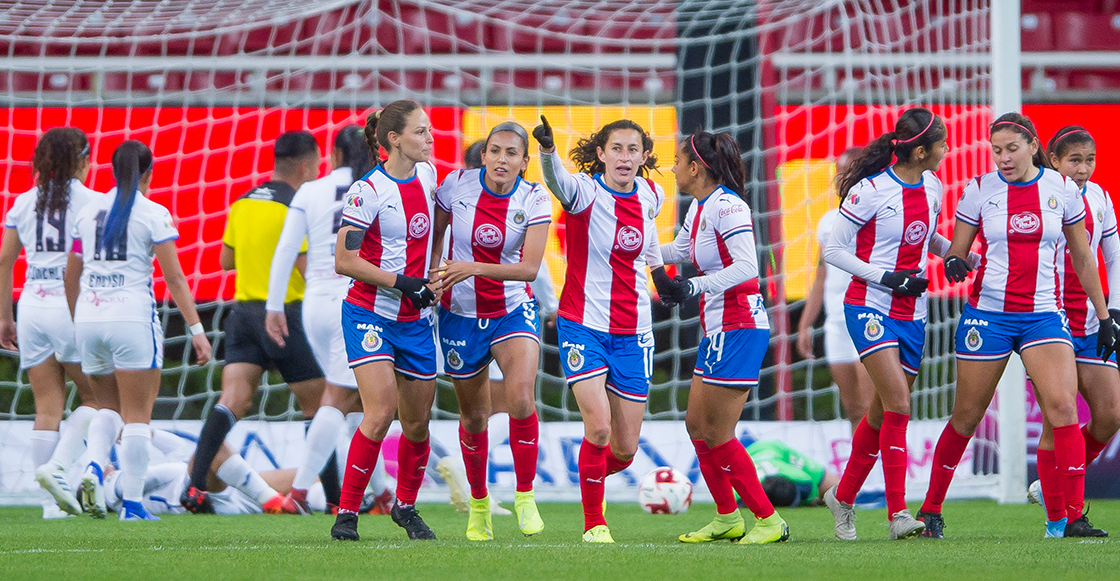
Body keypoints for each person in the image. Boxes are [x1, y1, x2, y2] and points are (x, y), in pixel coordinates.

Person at [918, 112, 1115, 539]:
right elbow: (959, 249)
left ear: (1031, 146)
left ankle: (1067, 518)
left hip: (1044, 315)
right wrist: (953, 261)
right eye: (996, 150)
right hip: (988, 315)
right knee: (966, 417)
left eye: (1011, 149)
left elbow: (1084, 259)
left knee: (1063, 411)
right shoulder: (978, 190)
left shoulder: (1061, 189)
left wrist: (1104, 316)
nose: (1003, 158)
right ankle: (930, 510)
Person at [533, 115, 680, 543]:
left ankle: (586, 479)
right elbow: (556, 180)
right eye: (616, 148)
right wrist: (547, 151)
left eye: (633, 150)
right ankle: (593, 523)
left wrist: (659, 275)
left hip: (634, 333)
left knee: (623, 448)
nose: (624, 157)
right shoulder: (585, 191)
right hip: (583, 325)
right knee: (597, 429)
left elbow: (649, 238)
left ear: (644, 156)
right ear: (601, 153)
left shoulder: (653, 192)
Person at [820, 108, 953, 541]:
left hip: (912, 314)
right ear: (920, 150)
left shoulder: (932, 186)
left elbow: (926, 237)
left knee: (879, 417)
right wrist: (887, 277)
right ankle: (898, 514)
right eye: (941, 144)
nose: (947, 151)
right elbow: (833, 250)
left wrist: (955, 254)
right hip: (869, 305)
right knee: (898, 404)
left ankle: (842, 496)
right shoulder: (870, 192)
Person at [65, 140, 212, 520]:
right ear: (148, 172)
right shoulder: (153, 213)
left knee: (106, 407)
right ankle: (131, 505)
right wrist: (197, 329)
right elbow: (175, 278)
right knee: (137, 416)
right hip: (131, 318)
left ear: (112, 170)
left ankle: (95, 467)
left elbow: (71, 274)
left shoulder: (86, 212)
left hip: (88, 317)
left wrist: (78, 317)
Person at [181, 131, 327, 513]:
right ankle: (340, 500)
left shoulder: (244, 202)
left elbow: (225, 262)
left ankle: (195, 487)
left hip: (242, 314)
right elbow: (304, 267)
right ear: (305, 166)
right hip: (285, 312)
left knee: (233, 400)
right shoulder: (297, 205)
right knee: (320, 406)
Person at [659, 129, 789, 545]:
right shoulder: (700, 208)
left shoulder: (728, 206)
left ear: (696, 167)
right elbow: (677, 251)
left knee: (717, 433)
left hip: (739, 327)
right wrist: (623, 240)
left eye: (678, 160)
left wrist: (694, 287)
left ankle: (768, 520)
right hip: (718, 328)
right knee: (696, 425)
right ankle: (727, 517)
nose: (673, 167)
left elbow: (748, 267)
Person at [428, 123, 551, 540]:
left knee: (519, 397)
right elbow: (436, 229)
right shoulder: (455, 185)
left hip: (512, 310)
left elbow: (530, 269)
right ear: (483, 156)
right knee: (474, 416)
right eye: (495, 150)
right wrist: (432, 271)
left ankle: (525, 495)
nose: (502, 159)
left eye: (511, 153)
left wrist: (474, 267)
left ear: (523, 161)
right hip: (459, 313)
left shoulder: (533, 197)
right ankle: (478, 503)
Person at [263, 125, 390, 515]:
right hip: (357, 301)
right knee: (339, 397)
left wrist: (273, 306)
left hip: (315, 303)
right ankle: (299, 493)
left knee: (355, 402)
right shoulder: (378, 188)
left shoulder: (310, 191)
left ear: (333, 155)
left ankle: (381, 494)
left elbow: (286, 249)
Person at [329, 100, 440, 542]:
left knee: (417, 423)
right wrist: (402, 281)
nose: (430, 139)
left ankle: (406, 507)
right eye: (421, 132)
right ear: (394, 139)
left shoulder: (430, 177)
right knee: (379, 413)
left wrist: (433, 268)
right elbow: (344, 259)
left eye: (430, 131)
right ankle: (347, 514)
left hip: (416, 320)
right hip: (370, 313)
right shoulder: (367, 191)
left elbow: (442, 220)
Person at [0, 127, 100, 518]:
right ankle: (59, 470)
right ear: (82, 160)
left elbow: (5, 261)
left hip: (32, 306)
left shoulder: (22, 203)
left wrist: (4, 316)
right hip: (72, 305)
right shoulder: (93, 202)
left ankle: (49, 505)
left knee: (47, 407)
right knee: (99, 400)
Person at [1027, 126, 1120, 537]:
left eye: (1089, 160)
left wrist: (1112, 312)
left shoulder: (1100, 198)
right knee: (1056, 420)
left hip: (1092, 321)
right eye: (1074, 160)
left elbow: (1113, 258)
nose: (1083, 169)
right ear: (1053, 159)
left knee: (1112, 414)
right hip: (1049, 323)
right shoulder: (1041, 194)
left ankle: (1062, 477)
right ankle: (1063, 519)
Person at [797, 147, 874, 432]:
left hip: (867, 320)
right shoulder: (828, 221)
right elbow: (822, 275)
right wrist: (805, 324)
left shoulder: (876, 216)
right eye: (839, 172)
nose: (842, 178)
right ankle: (862, 476)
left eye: (849, 171)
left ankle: (882, 475)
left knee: (871, 410)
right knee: (854, 409)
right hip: (835, 325)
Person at [749, 440, 839, 508]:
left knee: (840, 493)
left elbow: (813, 498)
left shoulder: (803, 481)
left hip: (777, 451)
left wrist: (812, 501)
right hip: (750, 454)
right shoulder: (739, 493)